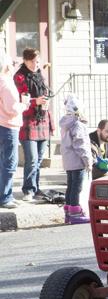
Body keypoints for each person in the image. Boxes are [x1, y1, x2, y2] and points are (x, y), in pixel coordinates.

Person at [14, 48, 54, 202]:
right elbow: (20, 99)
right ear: (25, 60)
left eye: (37, 61)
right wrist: (34, 101)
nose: (36, 64)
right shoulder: (19, 76)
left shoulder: (39, 75)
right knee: (31, 158)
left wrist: (45, 100)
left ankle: (36, 188)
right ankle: (28, 190)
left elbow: (44, 92)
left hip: (42, 119)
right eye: (32, 61)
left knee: (38, 160)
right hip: (27, 121)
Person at [0, 51, 30, 209]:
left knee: (2, 163)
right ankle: (5, 197)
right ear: (5, 66)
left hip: (1, 125)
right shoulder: (5, 82)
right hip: (8, 125)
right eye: (12, 63)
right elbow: (11, 108)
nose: (14, 66)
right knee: (9, 163)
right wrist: (24, 104)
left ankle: (4, 195)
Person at [59, 95, 93, 224]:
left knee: (71, 186)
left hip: (68, 161)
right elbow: (81, 144)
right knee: (77, 187)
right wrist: (87, 161)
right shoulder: (78, 125)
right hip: (77, 161)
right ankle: (75, 212)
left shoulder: (66, 123)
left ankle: (68, 210)